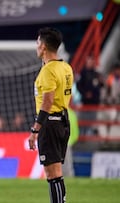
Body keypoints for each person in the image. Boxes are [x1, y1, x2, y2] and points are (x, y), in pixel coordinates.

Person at [28, 27, 74, 203]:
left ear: (44, 47)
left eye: (38, 42)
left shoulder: (48, 71)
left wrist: (35, 129)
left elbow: (48, 101)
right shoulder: (66, 67)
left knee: (52, 174)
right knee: (57, 172)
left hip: (51, 123)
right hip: (63, 121)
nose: (37, 46)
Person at [76, 55, 104, 135]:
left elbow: (101, 85)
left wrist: (101, 81)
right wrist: (85, 94)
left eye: (92, 61)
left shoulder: (96, 73)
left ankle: (90, 135)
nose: (91, 63)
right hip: (86, 102)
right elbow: (78, 85)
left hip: (95, 102)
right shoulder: (82, 73)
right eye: (89, 61)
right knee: (84, 120)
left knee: (93, 121)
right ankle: (82, 135)